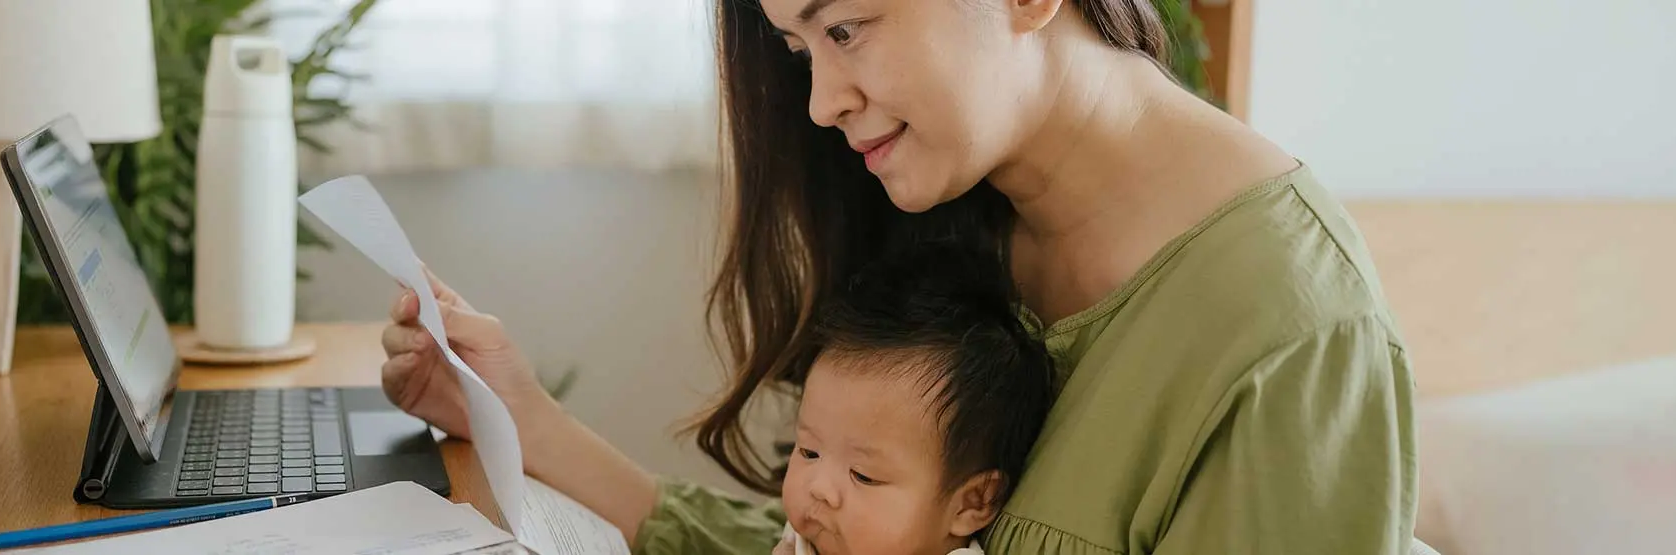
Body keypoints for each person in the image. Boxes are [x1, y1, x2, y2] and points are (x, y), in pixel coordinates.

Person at [380, 0, 1418, 552]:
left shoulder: (1287, 334)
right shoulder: (959, 210)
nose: (820, 101)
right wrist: (519, 420)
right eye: (800, 49)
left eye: (844, 29)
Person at [772, 245, 1056, 555]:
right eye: (809, 452)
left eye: (863, 476)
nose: (819, 488)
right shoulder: (807, 536)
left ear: (971, 503)